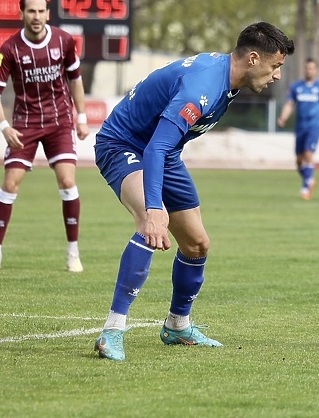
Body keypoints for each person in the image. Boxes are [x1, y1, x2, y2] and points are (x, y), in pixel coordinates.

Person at [93, 22, 294, 361]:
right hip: (123, 145)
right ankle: (112, 330)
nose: (276, 75)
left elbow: (163, 147)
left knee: (197, 243)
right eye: (275, 66)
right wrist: (155, 210)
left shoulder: (226, 78)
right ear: (254, 58)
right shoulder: (203, 86)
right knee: (150, 222)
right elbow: (155, 147)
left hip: (163, 152)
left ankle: (177, 325)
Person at [0, 0, 89, 273]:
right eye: (31, 11)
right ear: (22, 14)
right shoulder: (8, 50)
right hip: (25, 124)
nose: (37, 16)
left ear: (48, 14)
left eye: (41, 11)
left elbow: (75, 80)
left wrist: (81, 117)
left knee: (68, 182)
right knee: (10, 184)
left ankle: (73, 254)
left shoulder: (64, 42)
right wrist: (4, 127)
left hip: (59, 122)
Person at [277, 58, 319, 200]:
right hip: (300, 126)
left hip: (314, 126)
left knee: (308, 155)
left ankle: (306, 187)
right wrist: (283, 117)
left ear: (316, 70)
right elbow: (290, 104)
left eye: (311, 68)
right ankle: (309, 180)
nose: (308, 71)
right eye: (306, 68)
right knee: (298, 161)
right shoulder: (296, 87)